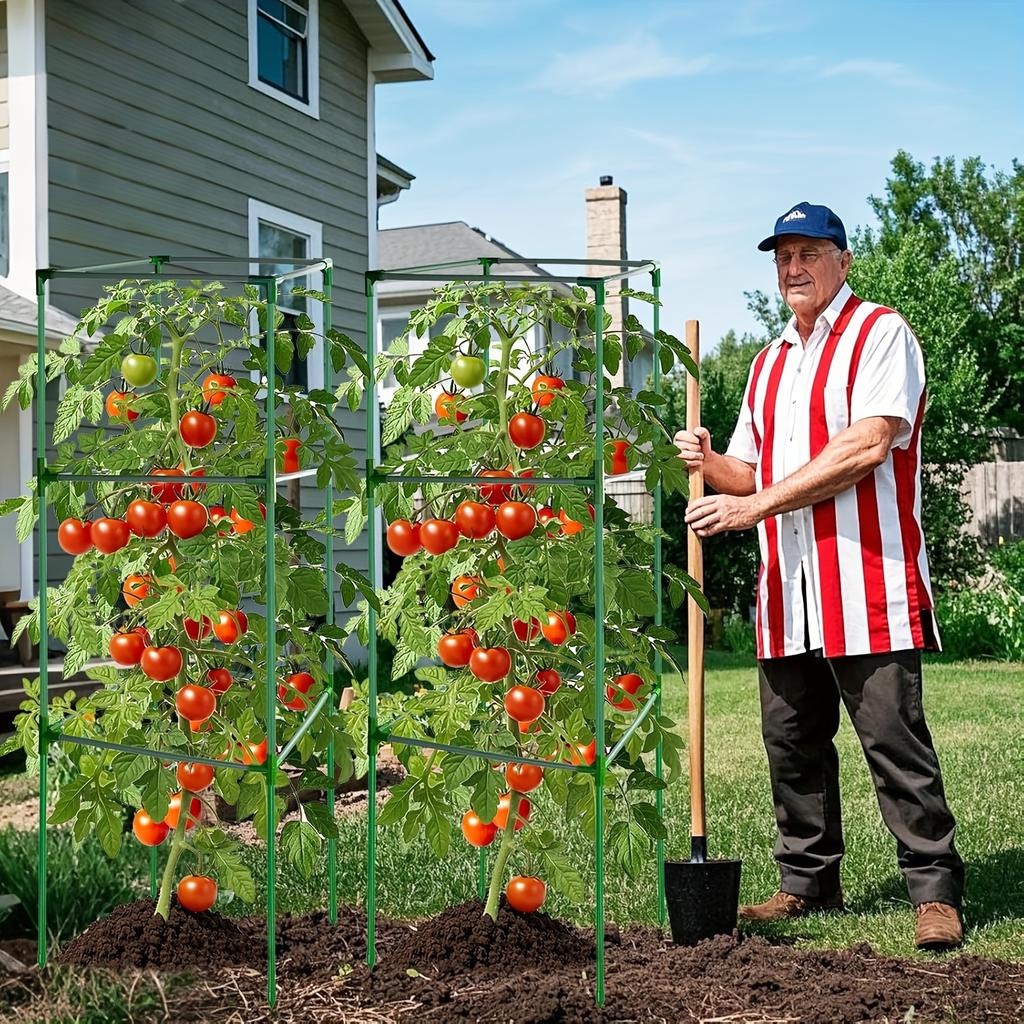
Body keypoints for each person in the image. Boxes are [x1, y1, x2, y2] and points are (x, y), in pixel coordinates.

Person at [673, 202, 964, 951]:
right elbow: (749, 470)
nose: (792, 268)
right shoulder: (771, 362)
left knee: (894, 742)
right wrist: (709, 463)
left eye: (808, 253)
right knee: (792, 745)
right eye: (782, 257)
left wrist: (753, 505)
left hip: (868, 582)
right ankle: (807, 883)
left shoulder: (881, 334)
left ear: (843, 260)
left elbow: (865, 447)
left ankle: (934, 891)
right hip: (788, 592)